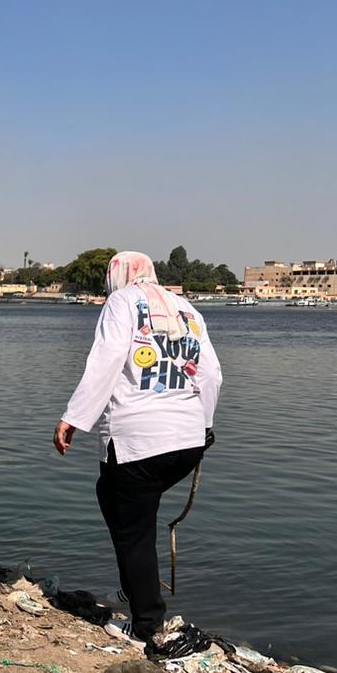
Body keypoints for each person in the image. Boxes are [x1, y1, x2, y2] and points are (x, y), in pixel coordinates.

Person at [53, 252, 222, 646]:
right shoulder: (188, 309)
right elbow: (211, 373)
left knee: (133, 529)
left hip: (137, 440)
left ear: (118, 276)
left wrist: (74, 417)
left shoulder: (122, 301)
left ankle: (146, 626)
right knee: (126, 508)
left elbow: (107, 359)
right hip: (188, 440)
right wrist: (206, 424)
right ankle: (141, 594)